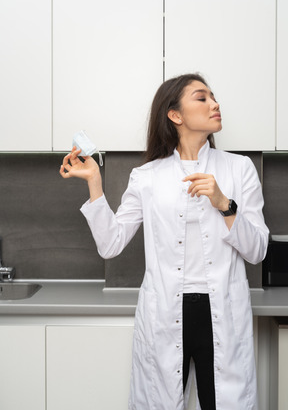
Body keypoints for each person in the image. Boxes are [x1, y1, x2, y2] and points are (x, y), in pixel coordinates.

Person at [60, 73, 269, 410]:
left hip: (224, 312)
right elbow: (111, 245)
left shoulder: (239, 169)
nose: (215, 104)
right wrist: (95, 183)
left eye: (213, 97)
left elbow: (258, 250)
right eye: (202, 98)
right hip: (166, 312)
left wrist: (223, 204)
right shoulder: (147, 177)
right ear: (175, 115)